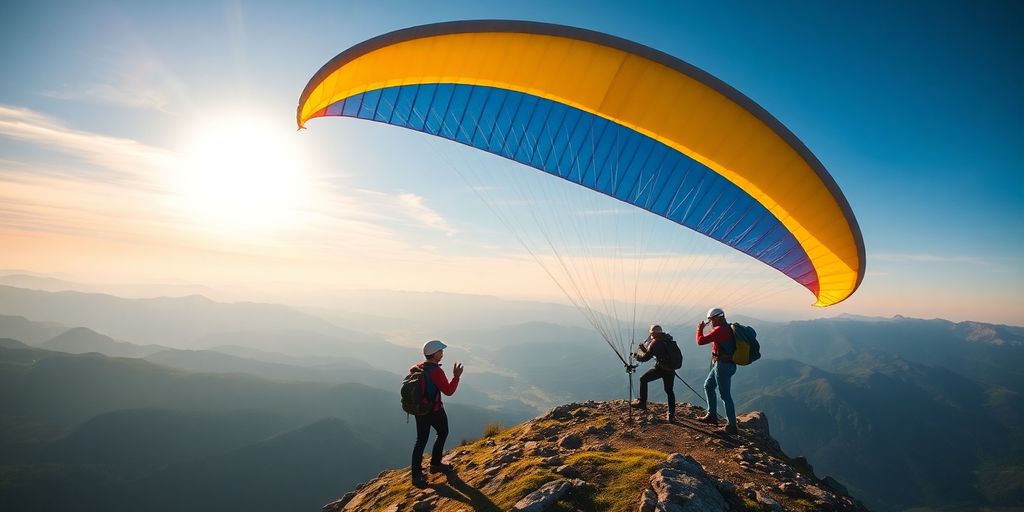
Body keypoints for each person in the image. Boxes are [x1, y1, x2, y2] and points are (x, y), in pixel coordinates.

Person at [410, 339, 464, 488]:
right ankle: (435, 464)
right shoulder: (436, 371)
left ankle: (416, 476)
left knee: (420, 441)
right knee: (443, 432)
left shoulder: (418, 367)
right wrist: (456, 376)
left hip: (419, 410)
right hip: (434, 410)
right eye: (440, 351)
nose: (442, 353)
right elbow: (449, 391)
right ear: (434, 354)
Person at [696, 307, 738, 434]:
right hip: (724, 364)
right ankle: (712, 415)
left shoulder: (720, 330)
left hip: (723, 366)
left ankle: (732, 427)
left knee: (725, 395)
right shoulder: (726, 327)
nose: (710, 322)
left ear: (719, 317)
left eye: (712, 319)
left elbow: (700, 341)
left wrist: (699, 329)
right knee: (708, 386)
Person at [631, 324, 677, 423]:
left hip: (660, 368)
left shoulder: (655, 343)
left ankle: (642, 403)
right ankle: (671, 414)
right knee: (669, 391)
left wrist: (636, 356)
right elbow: (656, 353)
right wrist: (645, 349)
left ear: (653, 333)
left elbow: (645, 358)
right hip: (670, 370)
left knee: (643, 379)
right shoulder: (668, 339)